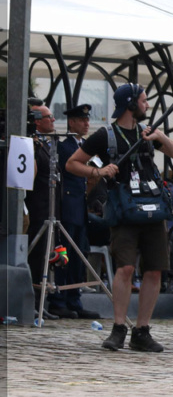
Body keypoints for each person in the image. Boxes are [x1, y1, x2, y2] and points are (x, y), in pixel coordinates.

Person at [65, 83, 173, 352]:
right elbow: (72, 163)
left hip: (153, 208)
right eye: (144, 101)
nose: (147, 106)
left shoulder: (148, 133)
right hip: (124, 210)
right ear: (131, 104)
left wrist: (161, 138)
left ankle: (142, 330)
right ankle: (119, 327)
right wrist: (97, 173)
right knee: (125, 268)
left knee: (155, 269)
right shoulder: (104, 136)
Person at [55, 104, 101, 319]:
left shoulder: (85, 147)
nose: (86, 124)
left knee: (78, 256)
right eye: (82, 120)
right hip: (68, 207)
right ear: (72, 122)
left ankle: (74, 299)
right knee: (64, 254)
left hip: (80, 207)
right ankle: (59, 299)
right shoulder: (65, 147)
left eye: (87, 120)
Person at [24, 103, 64, 320]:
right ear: (37, 120)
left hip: (50, 210)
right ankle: (31, 303)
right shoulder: (31, 144)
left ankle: (41, 303)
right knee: (35, 257)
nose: (53, 121)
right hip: (37, 210)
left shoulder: (46, 144)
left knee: (45, 259)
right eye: (49, 117)